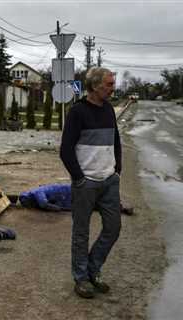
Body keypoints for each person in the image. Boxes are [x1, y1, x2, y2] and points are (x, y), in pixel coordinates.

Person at [60, 67, 122, 299]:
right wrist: (79, 178)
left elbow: (116, 141)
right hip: (86, 183)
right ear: (95, 86)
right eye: (108, 84)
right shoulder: (77, 112)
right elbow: (65, 150)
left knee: (113, 228)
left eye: (112, 83)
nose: (112, 88)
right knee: (81, 233)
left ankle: (93, 269)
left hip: (109, 181)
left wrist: (117, 171)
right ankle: (81, 279)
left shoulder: (108, 110)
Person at [19, 183, 134, 215]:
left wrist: (55, 208)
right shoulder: (37, 192)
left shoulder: (37, 192)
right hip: (67, 196)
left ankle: (120, 207)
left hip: (68, 194)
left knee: (92, 200)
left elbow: (44, 203)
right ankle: (119, 207)